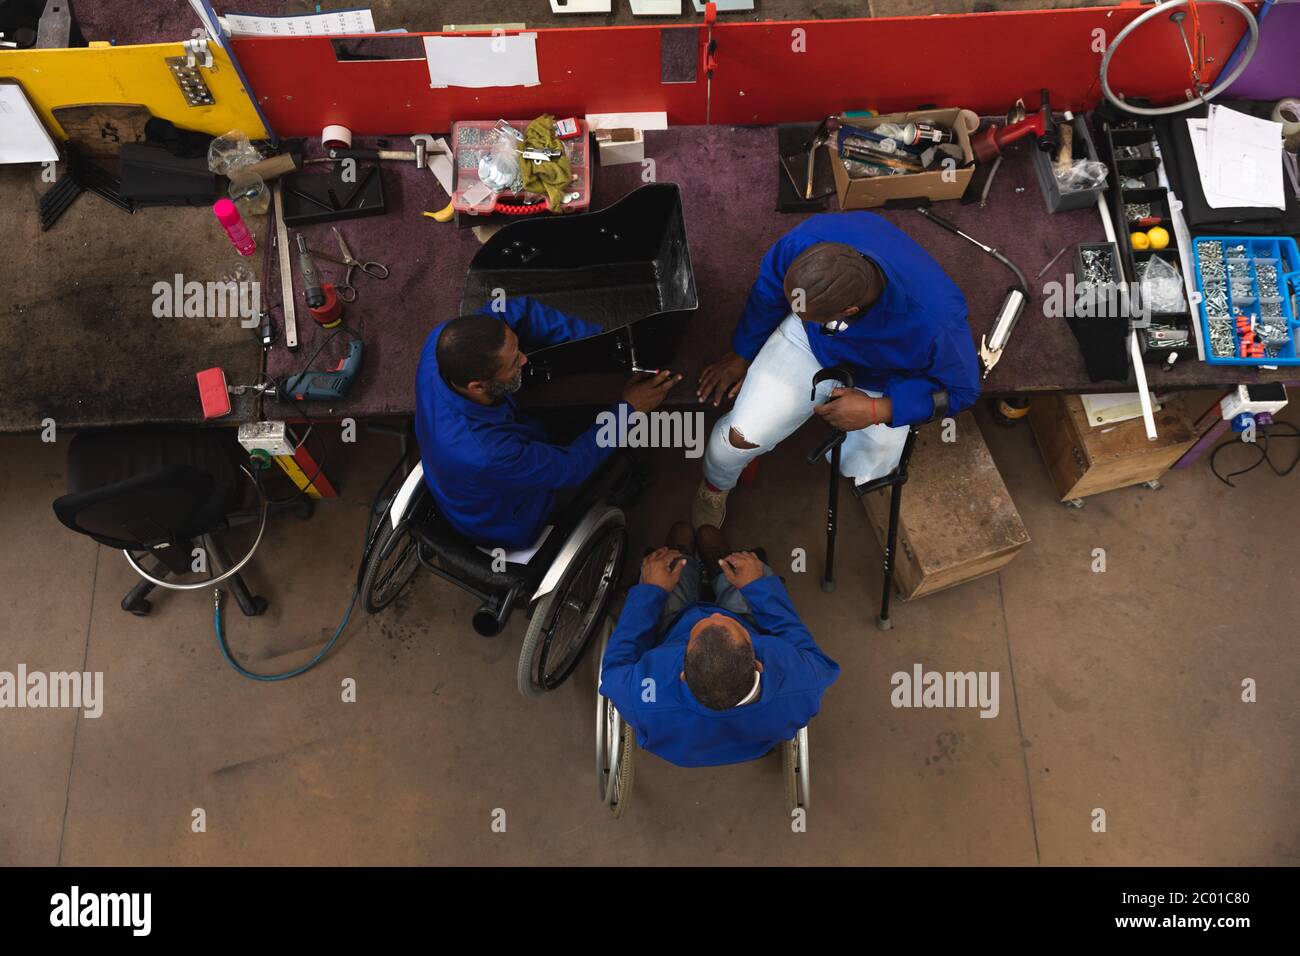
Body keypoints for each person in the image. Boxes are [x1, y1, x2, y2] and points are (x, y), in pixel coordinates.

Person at [692, 212, 981, 528]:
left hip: (888, 376)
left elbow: (962, 390)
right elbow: (768, 291)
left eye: (808, 314)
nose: (794, 311)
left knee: (870, 462)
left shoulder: (939, 323)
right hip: (814, 344)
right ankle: (716, 486)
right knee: (741, 437)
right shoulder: (808, 240)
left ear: (849, 311)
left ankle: (853, 463)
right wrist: (741, 353)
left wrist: (880, 409)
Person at [415, 296, 679, 551]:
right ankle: (623, 483)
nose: (524, 359)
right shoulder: (488, 453)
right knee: (600, 453)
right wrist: (629, 410)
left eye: (517, 348)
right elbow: (571, 467)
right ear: (478, 386)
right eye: (512, 362)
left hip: (470, 480)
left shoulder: (441, 343)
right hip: (511, 521)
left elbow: (513, 310)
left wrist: (599, 342)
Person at [599, 522, 839, 768]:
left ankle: (683, 557)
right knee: (756, 571)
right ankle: (722, 566)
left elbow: (613, 670)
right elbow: (808, 651)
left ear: (682, 673)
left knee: (666, 562)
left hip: (675, 627)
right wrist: (758, 588)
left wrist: (650, 591)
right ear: (757, 663)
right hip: (744, 631)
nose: (712, 615)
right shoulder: (802, 684)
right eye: (718, 620)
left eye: (699, 630)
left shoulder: (642, 698)